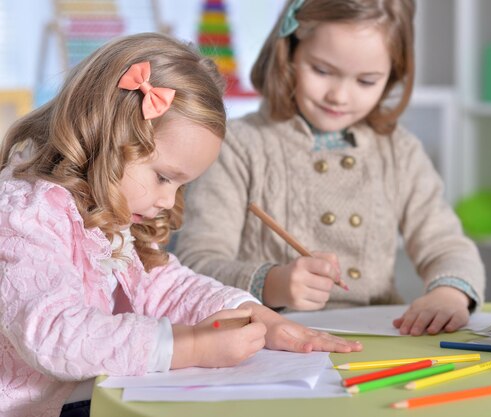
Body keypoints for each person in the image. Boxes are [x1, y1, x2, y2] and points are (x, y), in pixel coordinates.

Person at [0, 33, 361, 417]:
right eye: (163, 177)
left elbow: (166, 285)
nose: (168, 202)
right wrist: (188, 347)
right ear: (109, 137)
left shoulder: (108, 206)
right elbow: (54, 334)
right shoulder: (25, 214)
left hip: (94, 394)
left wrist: (257, 316)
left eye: (180, 185)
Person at [175, 0, 486, 337]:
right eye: (322, 71)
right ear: (289, 51)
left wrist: (450, 294)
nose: (339, 96)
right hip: (270, 338)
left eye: (366, 81)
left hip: (378, 335)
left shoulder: (400, 151)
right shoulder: (237, 144)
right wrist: (273, 284)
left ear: (392, 76)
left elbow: (445, 243)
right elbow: (196, 264)